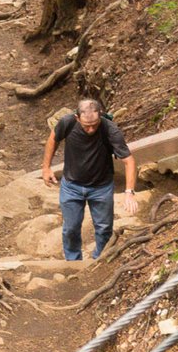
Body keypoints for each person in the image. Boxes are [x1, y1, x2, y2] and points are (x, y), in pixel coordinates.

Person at [42, 98, 138, 261]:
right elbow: (53, 139)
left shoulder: (109, 129)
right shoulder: (67, 123)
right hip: (71, 185)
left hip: (101, 187)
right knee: (70, 228)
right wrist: (46, 167)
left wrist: (129, 192)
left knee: (104, 228)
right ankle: (73, 261)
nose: (91, 129)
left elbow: (129, 161)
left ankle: (100, 260)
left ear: (100, 115)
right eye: (87, 126)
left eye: (95, 124)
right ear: (77, 118)